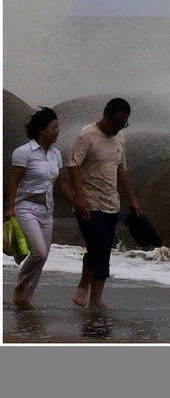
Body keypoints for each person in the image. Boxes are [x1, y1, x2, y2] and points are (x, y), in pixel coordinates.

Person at [4, 107, 84, 310]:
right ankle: (19, 292)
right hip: (26, 207)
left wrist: (75, 201)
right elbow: (13, 181)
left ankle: (25, 300)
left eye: (58, 127)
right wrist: (9, 208)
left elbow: (62, 183)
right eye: (53, 128)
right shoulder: (24, 152)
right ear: (41, 130)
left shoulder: (56, 154)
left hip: (47, 210)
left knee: (44, 256)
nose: (58, 131)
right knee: (38, 252)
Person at [68, 97, 141, 308]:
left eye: (124, 123)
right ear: (106, 114)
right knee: (98, 244)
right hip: (89, 200)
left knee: (105, 250)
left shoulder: (120, 138)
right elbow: (73, 165)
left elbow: (122, 169)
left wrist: (132, 200)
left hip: (111, 202)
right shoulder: (87, 134)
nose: (119, 127)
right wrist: (78, 196)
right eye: (117, 122)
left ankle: (96, 300)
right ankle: (83, 286)